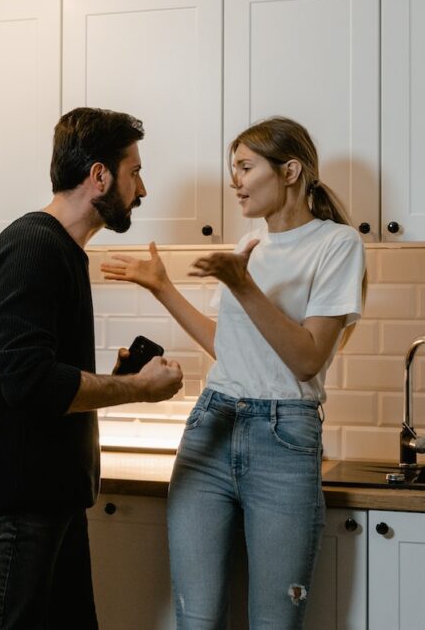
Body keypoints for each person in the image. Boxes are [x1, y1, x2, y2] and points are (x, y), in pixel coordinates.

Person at [101, 116, 366, 629]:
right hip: (212, 426)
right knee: (195, 621)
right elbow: (230, 348)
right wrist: (161, 286)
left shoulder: (337, 245)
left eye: (246, 167)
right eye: (233, 169)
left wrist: (242, 284)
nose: (235, 181)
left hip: (284, 437)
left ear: (290, 171)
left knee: (274, 622)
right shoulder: (251, 245)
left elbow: (308, 357)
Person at [0, 106, 184, 630]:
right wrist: (138, 389)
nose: (142, 189)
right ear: (99, 175)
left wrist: (120, 375)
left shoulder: (58, 250)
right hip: (22, 505)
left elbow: (36, 375)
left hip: (47, 501)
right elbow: (29, 383)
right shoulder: (35, 247)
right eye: (135, 172)